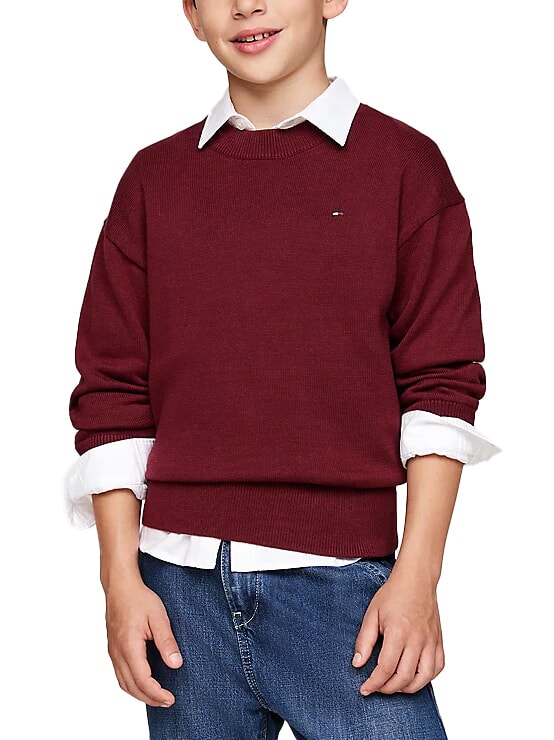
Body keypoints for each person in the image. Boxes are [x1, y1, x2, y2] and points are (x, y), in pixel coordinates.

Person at [62, 1, 502, 737]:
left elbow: (440, 385)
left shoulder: (405, 168)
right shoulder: (153, 180)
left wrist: (418, 576)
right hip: (178, 599)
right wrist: (119, 580)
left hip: (346, 590)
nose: (247, 5)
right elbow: (111, 391)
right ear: (191, 14)